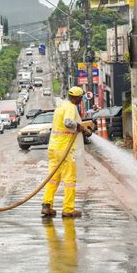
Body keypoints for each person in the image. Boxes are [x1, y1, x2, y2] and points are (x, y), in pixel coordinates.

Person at [41, 87, 92, 218]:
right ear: (77, 98)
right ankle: (68, 209)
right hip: (64, 149)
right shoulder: (70, 107)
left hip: (53, 148)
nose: (81, 100)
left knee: (53, 179)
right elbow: (68, 123)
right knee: (70, 179)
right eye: (81, 98)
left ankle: (47, 205)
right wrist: (81, 128)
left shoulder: (61, 106)